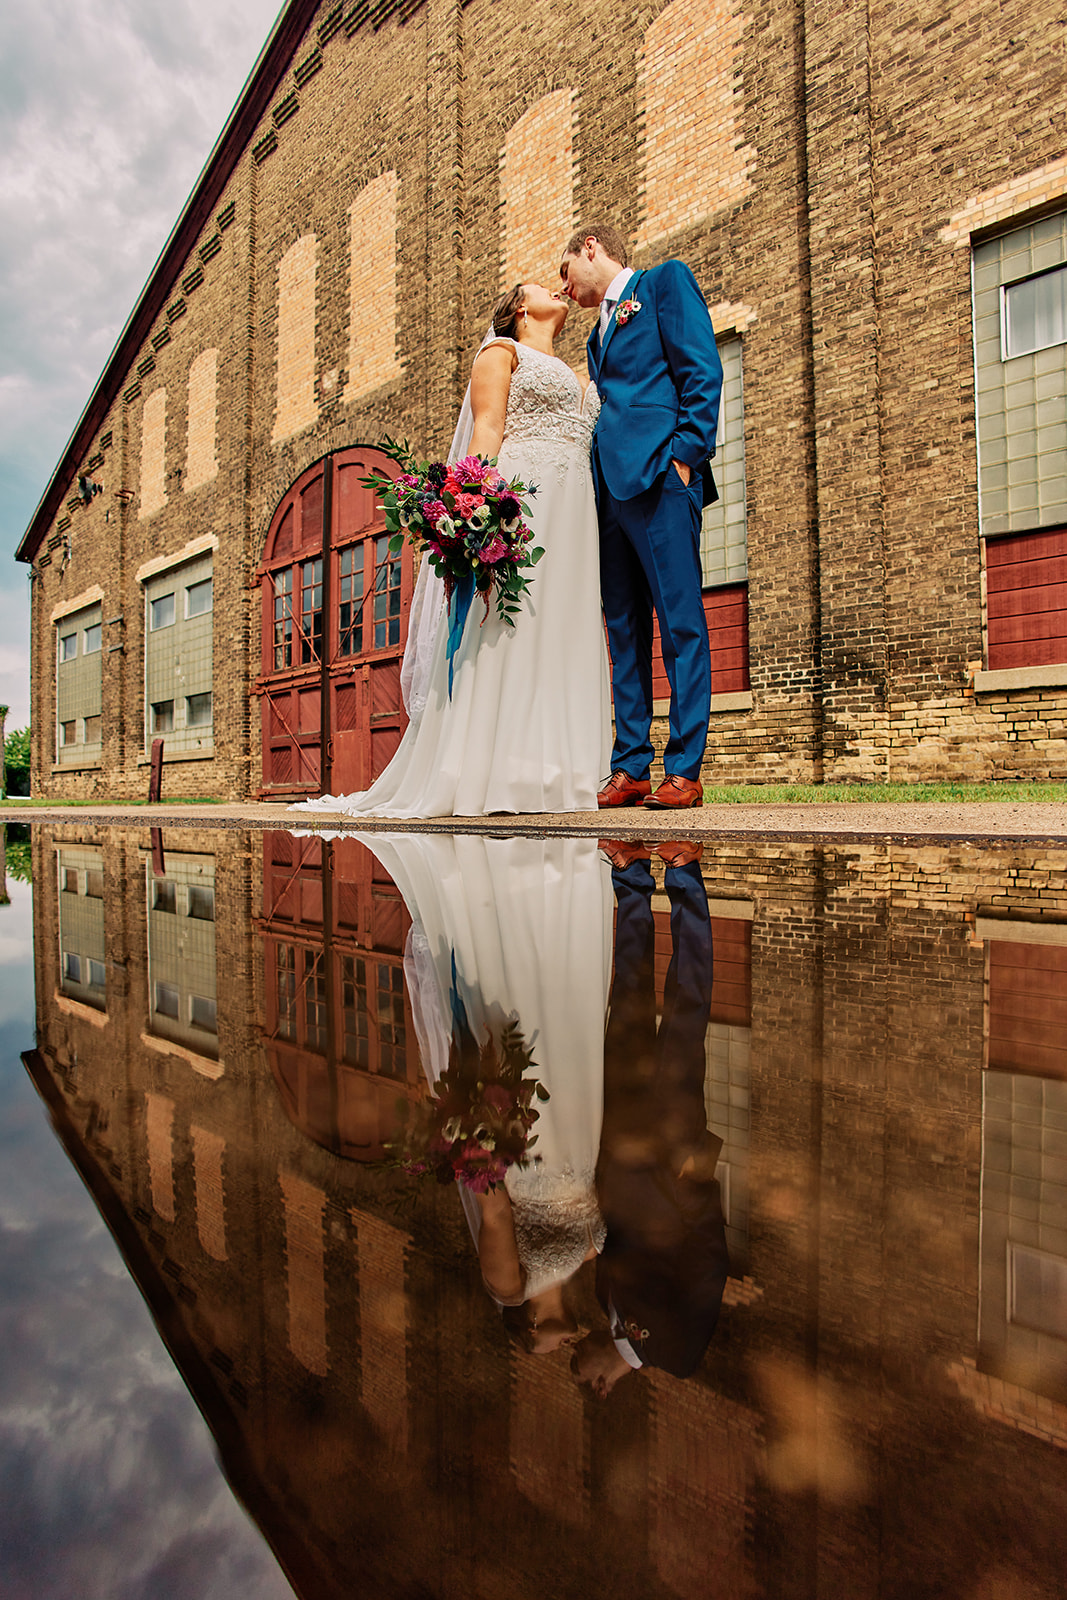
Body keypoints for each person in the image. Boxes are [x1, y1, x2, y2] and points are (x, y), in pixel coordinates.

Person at [290, 282, 611, 819]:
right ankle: (499, 769)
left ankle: (568, 768)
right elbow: (487, 426)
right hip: (526, 498)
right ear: (519, 308)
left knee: (566, 622)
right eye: (539, 283)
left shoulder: (584, 371)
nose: (556, 284)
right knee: (515, 622)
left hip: (578, 511)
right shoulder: (501, 352)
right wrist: (473, 509)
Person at [354, 832, 612, 1338]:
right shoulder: (584, 1261)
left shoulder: (509, 1290)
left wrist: (480, 1131)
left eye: (539, 1352)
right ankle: (542, 906)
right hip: (578, 1136)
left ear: (529, 1330)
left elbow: (493, 1212)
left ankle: (496, 910)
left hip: (531, 1156)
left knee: (520, 1027)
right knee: (562, 1024)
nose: (555, 1354)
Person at [559, 224, 724, 812]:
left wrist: (683, 457)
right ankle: (630, 765)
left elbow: (702, 373)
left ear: (590, 249)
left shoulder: (663, 284)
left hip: (660, 480)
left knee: (681, 624)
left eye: (565, 270)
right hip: (610, 496)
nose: (564, 287)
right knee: (623, 631)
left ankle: (685, 768)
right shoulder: (595, 337)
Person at [571, 838, 730, 1396]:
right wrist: (695, 1187)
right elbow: (708, 1274)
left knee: (629, 1000)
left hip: (620, 1130)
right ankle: (686, 877)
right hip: (670, 1146)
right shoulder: (677, 1354)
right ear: (602, 1386)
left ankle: (632, 877)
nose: (576, 1349)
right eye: (580, 1366)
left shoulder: (600, 1302)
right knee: (688, 1007)